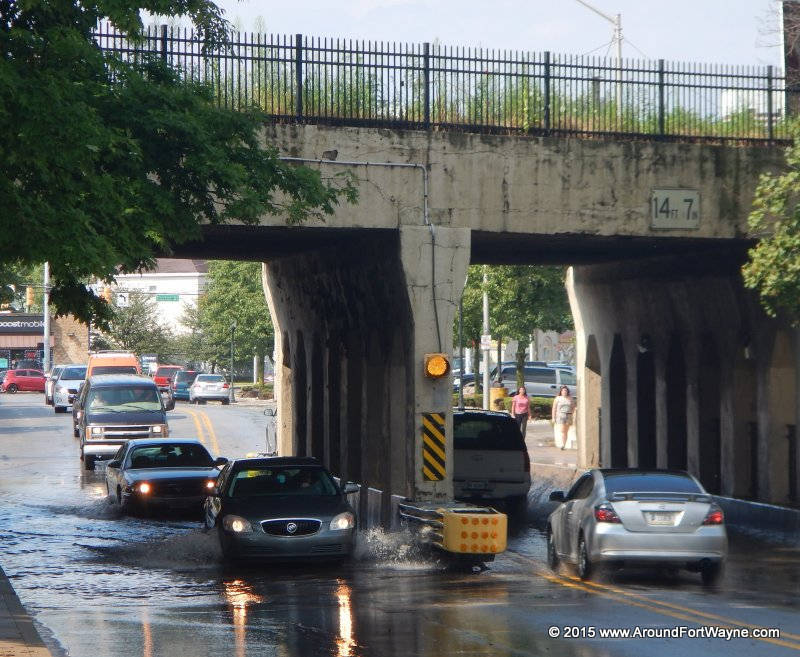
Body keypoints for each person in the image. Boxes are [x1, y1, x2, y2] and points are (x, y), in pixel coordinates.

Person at [551, 385, 575, 450]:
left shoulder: (570, 398)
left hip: (568, 415)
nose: (564, 392)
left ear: (567, 391)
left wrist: (572, 414)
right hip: (560, 416)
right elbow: (554, 408)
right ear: (561, 391)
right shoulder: (557, 398)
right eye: (563, 390)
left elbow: (573, 407)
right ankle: (562, 444)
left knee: (565, 431)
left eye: (566, 390)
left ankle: (564, 445)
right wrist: (553, 417)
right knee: (562, 430)